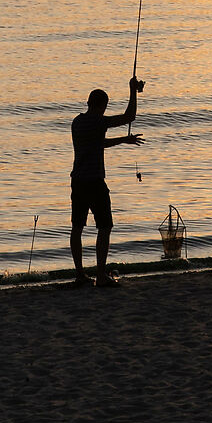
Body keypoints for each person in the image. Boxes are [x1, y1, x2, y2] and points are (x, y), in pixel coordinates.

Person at [69, 77, 143, 287]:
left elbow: (97, 144)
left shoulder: (77, 122)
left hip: (77, 181)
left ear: (88, 103)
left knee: (77, 228)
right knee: (105, 226)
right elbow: (130, 117)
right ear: (102, 105)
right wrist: (132, 91)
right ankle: (101, 275)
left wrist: (123, 140)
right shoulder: (100, 122)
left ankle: (80, 274)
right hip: (95, 182)